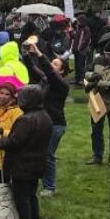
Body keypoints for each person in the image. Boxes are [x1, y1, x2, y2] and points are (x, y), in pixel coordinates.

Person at [0, 84, 53, 219]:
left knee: (22, 198)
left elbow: (15, 141)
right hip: (37, 163)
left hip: (22, 164)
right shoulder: (45, 116)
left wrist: (1, 142)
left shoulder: (26, 119)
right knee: (31, 196)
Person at [22, 41, 70, 197]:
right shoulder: (45, 80)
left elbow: (49, 71)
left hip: (56, 124)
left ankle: (50, 186)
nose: (51, 64)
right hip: (42, 122)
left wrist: (39, 53)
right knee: (38, 152)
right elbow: (33, 69)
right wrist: (27, 53)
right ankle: (39, 182)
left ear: (61, 72)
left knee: (48, 155)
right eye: (52, 62)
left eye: (56, 64)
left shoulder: (61, 85)